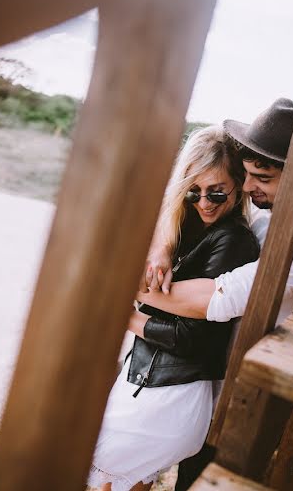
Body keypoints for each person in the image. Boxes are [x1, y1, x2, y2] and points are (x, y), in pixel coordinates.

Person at [137, 98, 293, 489]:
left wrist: (124, 288)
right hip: (216, 375)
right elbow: (179, 197)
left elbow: (219, 298)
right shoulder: (267, 210)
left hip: (253, 389)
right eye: (246, 174)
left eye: (261, 177)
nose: (247, 187)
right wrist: (159, 246)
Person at [87, 125, 260, 491]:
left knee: (106, 480)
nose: (205, 203)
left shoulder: (233, 240)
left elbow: (194, 340)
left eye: (217, 191)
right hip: (144, 383)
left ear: (239, 183)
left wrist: (123, 316)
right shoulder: (183, 227)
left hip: (171, 393)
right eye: (193, 193)